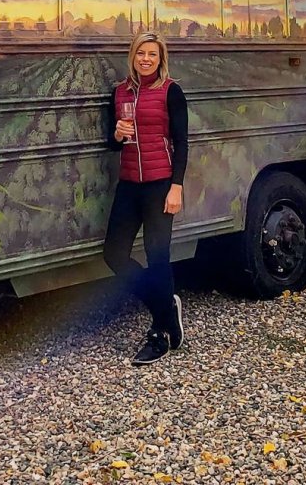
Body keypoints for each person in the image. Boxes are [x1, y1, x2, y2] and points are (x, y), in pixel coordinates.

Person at [103, 31, 189, 365]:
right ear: (133, 56)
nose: (146, 59)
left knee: (157, 255)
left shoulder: (171, 91)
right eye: (141, 53)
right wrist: (116, 134)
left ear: (160, 59)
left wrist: (176, 186)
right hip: (129, 183)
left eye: (152, 54)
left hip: (159, 184)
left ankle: (160, 333)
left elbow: (182, 141)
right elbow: (112, 143)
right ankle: (166, 306)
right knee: (113, 254)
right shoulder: (120, 92)